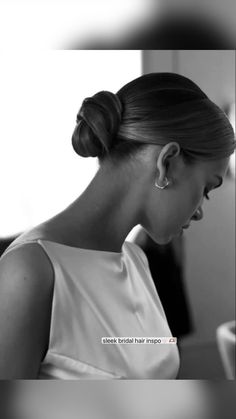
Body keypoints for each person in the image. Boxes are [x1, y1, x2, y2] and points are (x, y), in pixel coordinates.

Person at [0, 72, 235, 379]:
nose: (201, 211)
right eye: (206, 188)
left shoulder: (137, 261)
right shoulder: (30, 271)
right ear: (168, 162)